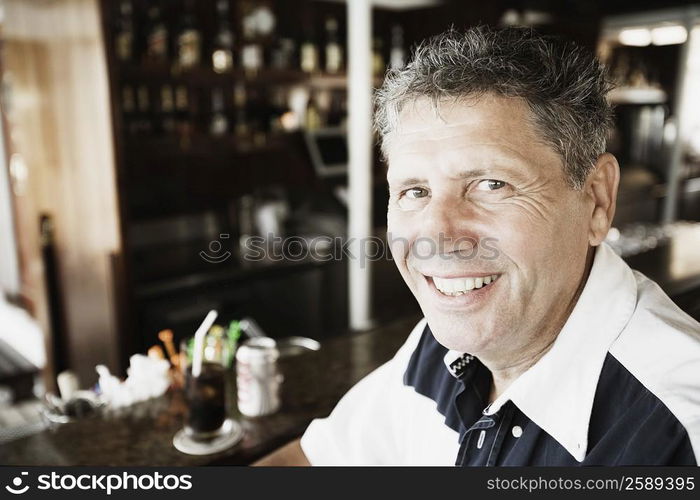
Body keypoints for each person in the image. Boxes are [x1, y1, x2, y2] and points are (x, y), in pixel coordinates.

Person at [254, 26, 700, 466]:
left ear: (597, 200)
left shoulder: (674, 432)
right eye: (414, 191)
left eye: (491, 184)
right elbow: (313, 460)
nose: (437, 236)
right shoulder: (442, 348)